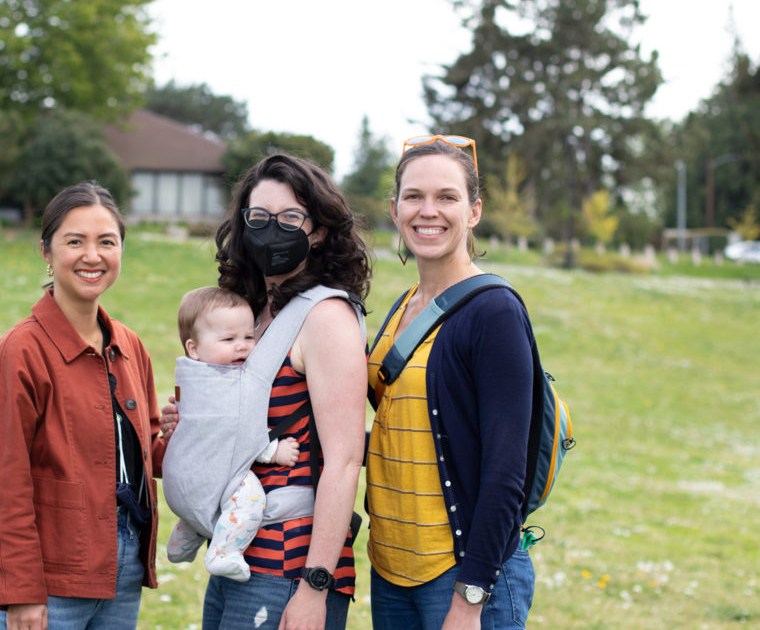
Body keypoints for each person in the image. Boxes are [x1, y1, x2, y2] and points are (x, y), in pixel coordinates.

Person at [161, 153, 372, 630]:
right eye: (258, 218)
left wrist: (315, 585)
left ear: (317, 230)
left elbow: (343, 459)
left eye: (290, 218)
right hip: (239, 554)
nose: (270, 229)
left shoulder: (326, 318)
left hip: (288, 567)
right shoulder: (254, 315)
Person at [0, 182, 167, 630]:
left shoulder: (129, 345)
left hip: (122, 567)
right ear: (46, 253)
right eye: (75, 241)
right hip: (48, 579)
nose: (92, 256)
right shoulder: (18, 354)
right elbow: (3, 486)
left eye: (106, 242)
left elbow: (153, 449)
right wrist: (21, 591)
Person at [365, 135, 536, 629]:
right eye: (413, 196)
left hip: (458, 574)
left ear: (475, 211)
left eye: (447, 197)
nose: (427, 211)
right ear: (394, 209)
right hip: (392, 569)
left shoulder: (494, 311)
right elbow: (400, 430)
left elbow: (507, 468)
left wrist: (471, 595)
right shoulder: (404, 305)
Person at [165, 286, 301, 581]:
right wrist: (273, 451)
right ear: (194, 348)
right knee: (248, 495)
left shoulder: (191, 376)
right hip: (208, 478)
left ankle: (185, 537)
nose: (242, 347)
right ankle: (224, 551)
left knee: (205, 498)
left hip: (180, 480)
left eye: (249, 337)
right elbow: (238, 429)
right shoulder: (229, 385)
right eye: (229, 339)